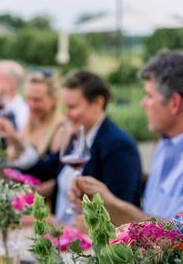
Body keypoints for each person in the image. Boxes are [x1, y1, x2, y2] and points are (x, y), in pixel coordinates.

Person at [69, 50, 183, 225]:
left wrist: (111, 203)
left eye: (149, 95)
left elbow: (177, 235)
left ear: (174, 103)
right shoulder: (164, 144)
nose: (143, 103)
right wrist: (102, 204)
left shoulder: (120, 144)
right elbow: (150, 215)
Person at [25, 71, 143, 224]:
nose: (66, 114)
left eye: (72, 107)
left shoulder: (119, 146)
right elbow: (45, 171)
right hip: (60, 235)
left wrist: (56, 225)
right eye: (65, 107)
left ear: (98, 103)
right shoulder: (77, 136)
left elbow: (122, 213)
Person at [0, 70, 62, 170]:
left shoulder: (61, 128)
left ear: (54, 100)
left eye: (37, 100)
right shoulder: (30, 123)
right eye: (28, 99)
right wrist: (10, 136)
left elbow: (50, 171)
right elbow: (13, 156)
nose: (31, 105)